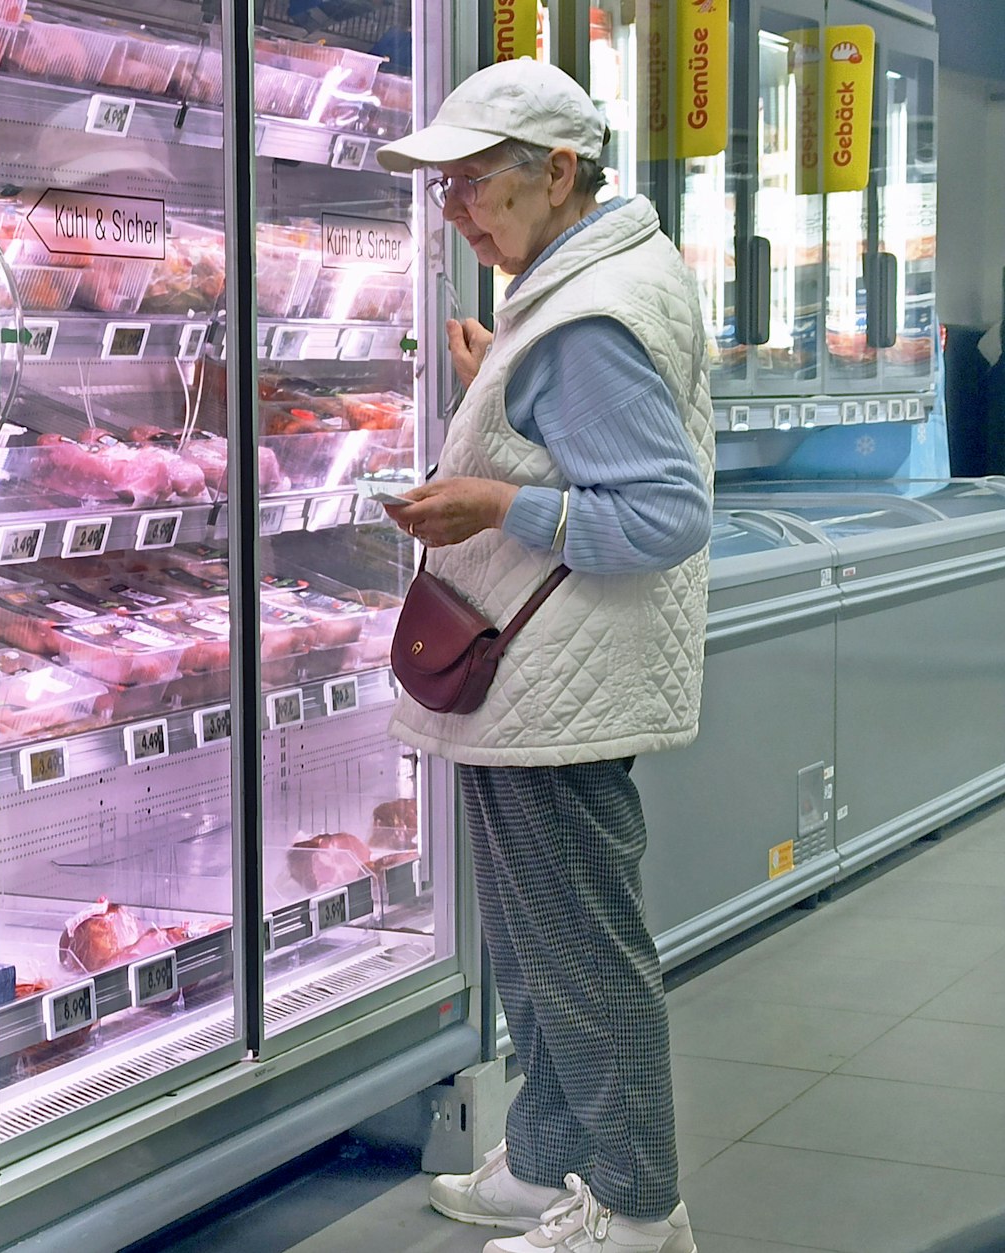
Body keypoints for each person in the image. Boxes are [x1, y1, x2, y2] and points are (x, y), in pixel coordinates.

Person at [372, 60, 715, 1253]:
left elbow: (664, 515)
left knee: (580, 953)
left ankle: (633, 1206)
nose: (454, 210)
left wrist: (485, 502)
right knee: (533, 940)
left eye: (472, 183)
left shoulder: (581, 321)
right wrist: (503, 397)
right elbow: (589, 440)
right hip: (542, 677)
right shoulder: (587, 282)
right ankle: (555, 1159)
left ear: (556, 172)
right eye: (442, 189)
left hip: (554, 679)